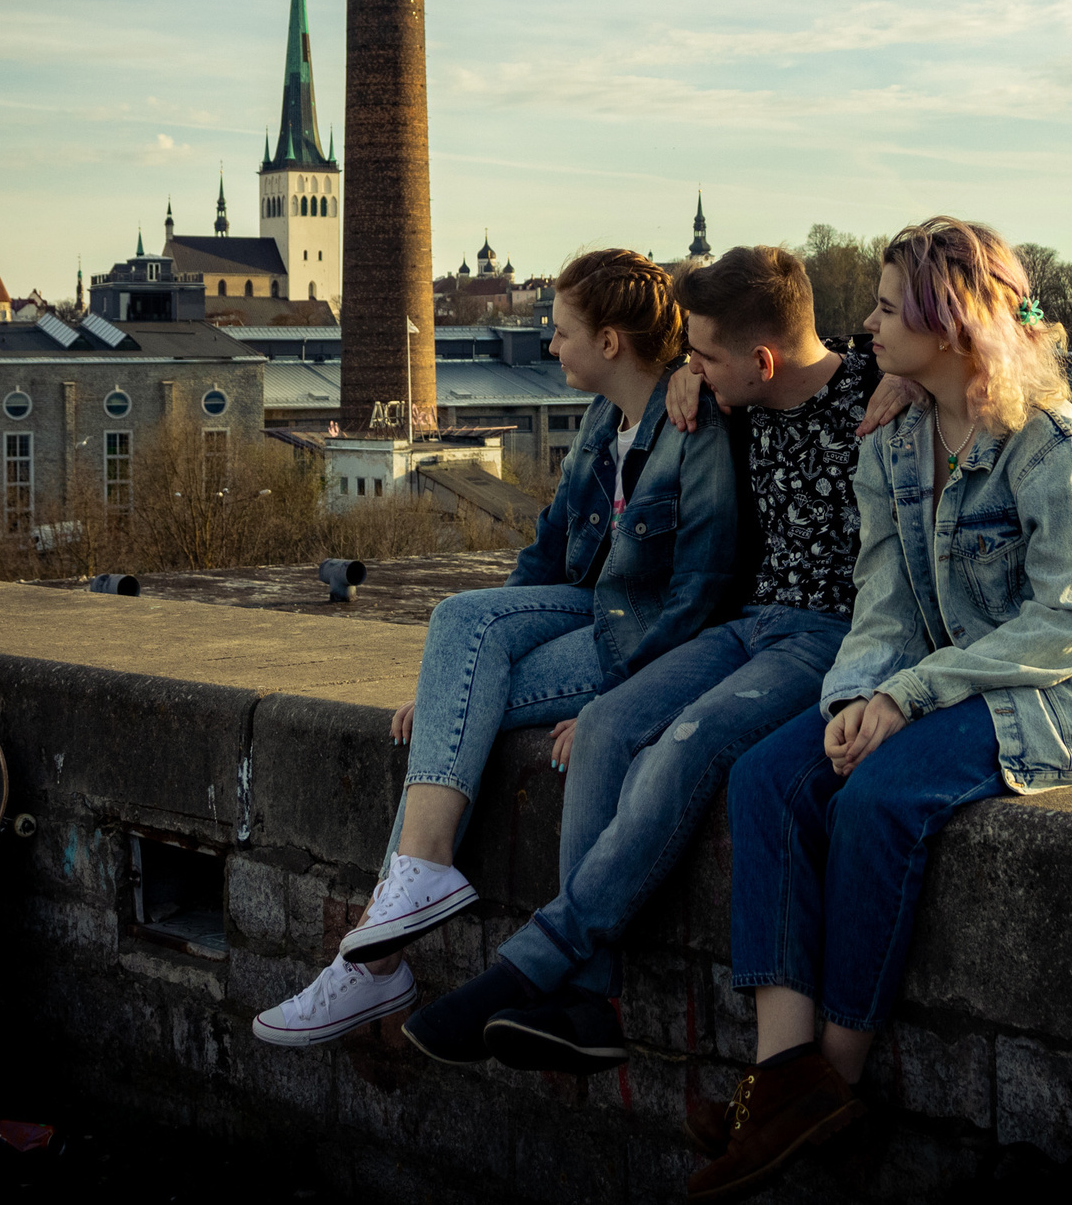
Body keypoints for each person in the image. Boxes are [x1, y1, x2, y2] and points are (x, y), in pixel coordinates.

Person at [686, 217, 1072, 1201]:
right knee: (773, 775)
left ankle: (837, 1078)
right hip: (942, 686)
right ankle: (783, 1078)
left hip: (1065, 699)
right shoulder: (895, 441)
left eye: (885, 309)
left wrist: (907, 695)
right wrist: (860, 693)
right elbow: (885, 601)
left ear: (948, 327)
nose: (864, 327)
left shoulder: (1056, 451)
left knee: (877, 802)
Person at [389, 243, 912, 1072]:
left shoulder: (878, 399)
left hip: (828, 636)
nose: (687, 364)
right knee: (602, 727)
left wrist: (912, 380)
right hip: (746, 624)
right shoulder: (728, 393)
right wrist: (692, 376)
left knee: (681, 749)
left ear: (760, 359)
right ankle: (589, 1003)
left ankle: (528, 966)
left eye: (700, 353)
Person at [250, 248, 739, 1051]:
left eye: (562, 332)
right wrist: (453, 683)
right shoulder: (597, 422)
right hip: (586, 608)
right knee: (459, 625)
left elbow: (703, 587)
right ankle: (409, 896)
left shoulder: (695, 424)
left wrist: (632, 699)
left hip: (642, 642)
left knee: (460, 687)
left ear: (611, 342)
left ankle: (376, 961)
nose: (550, 347)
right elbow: (546, 555)